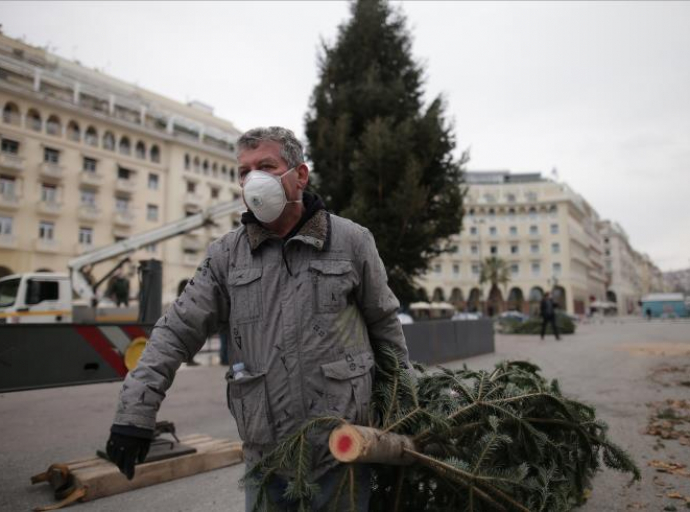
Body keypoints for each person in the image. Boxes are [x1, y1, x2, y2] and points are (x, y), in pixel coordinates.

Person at [105, 127, 413, 511]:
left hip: (342, 447)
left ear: (299, 176)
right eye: (245, 171)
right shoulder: (226, 255)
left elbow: (385, 327)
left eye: (266, 166)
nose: (254, 179)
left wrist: (407, 409)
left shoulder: (351, 242)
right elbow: (176, 331)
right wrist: (135, 412)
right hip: (266, 454)